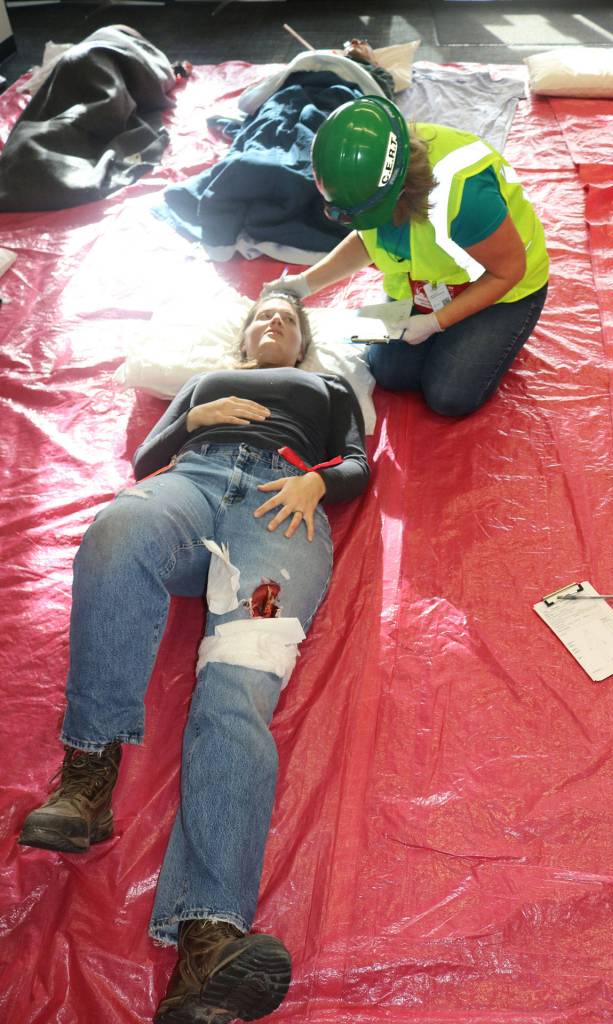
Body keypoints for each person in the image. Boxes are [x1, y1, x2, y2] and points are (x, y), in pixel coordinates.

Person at [18, 293, 369, 1023]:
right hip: (190, 486)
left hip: (278, 513)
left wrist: (315, 480)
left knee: (239, 681)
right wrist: (189, 420)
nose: (274, 322)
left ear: (304, 344)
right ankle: (86, 782)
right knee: (117, 532)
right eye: (262, 315)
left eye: (289, 320)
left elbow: (357, 464)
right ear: (241, 335)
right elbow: (148, 458)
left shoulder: (328, 387)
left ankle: (208, 943)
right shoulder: (206, 381)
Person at [265, 96, 549, 418]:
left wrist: (436, 322)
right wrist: (302, 285)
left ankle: (491, 331)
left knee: (448, 395)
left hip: (505, 285)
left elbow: (508, 271)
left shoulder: (463, 195)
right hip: (434, 282)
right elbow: (367, 238)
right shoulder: (371, 170)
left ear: (395, 194)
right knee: (390, 372)